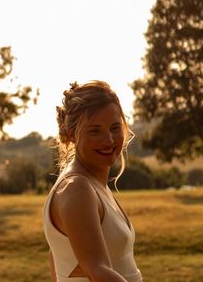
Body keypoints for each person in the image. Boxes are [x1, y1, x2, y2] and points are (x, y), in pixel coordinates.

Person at [43, 81, 143, 282]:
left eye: (115, 128)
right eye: (94, 130)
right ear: (72, 135)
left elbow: (56, 257)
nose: (109, 140)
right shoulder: (76, 189)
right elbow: (98, 271)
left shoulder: (93, 185)